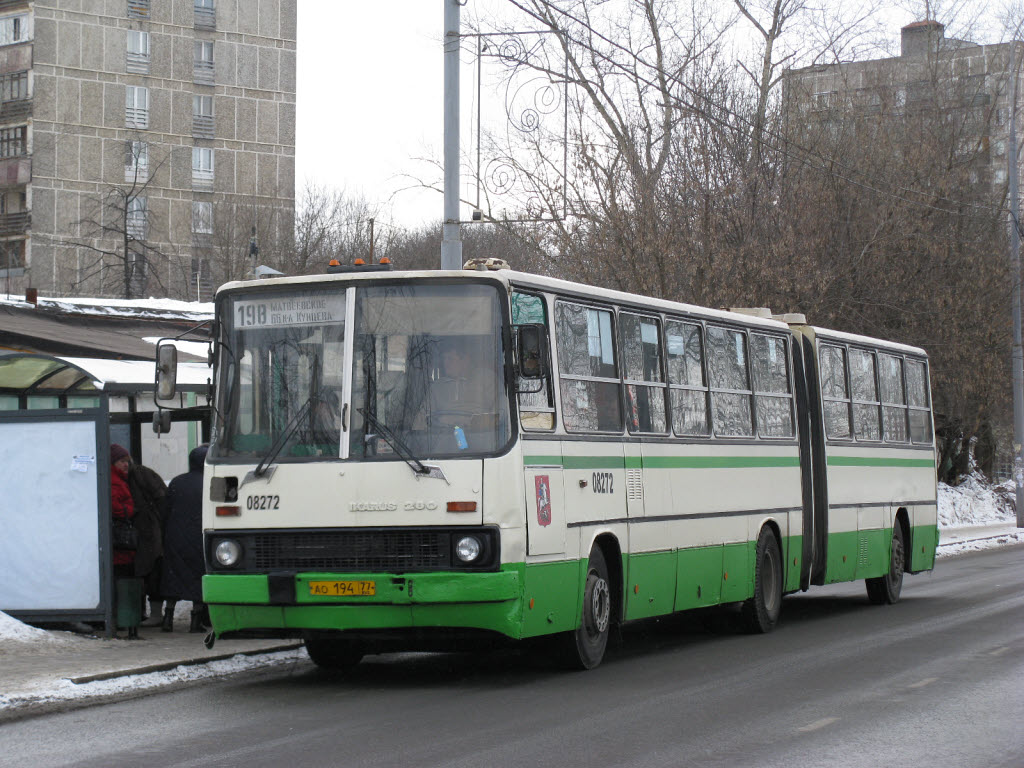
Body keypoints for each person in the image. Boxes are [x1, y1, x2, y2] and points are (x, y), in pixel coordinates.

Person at [161, 445, 209, 632]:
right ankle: (195, 622)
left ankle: (168, 618)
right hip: (199, 537)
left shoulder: (177, 482)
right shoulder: (212, 481)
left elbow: (166, 510)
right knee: (198, 577)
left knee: (173, 577)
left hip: (175, 538)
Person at [126, 452, 168, 627]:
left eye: (125, 461)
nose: (124, 465)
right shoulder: (139, 475)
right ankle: (148, 612)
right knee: (146, 571)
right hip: (146, 531)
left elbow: (162, 499)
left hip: (148, 531)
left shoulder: (139, 475)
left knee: (150, 571)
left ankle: (152, 613)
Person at [110, 444, 137, 637]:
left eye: (127, 461)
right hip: (119, 542)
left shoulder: (120, 480)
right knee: (120, 580)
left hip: (120, 545)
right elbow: (116, 508)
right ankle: (119, 620)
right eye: (122, 461)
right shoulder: (115, 482)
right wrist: (130, 510)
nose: (126, 465)